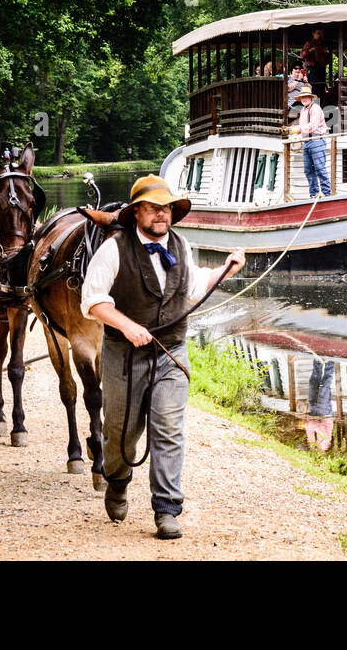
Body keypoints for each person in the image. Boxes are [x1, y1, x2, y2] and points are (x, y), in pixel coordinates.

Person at [78, 175, 245, 538]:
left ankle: (167, 510)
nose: (161, 215)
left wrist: (226, 270)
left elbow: (195, 285)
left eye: (166, 208)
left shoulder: (181, 247)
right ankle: (118, 481)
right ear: (137, 212)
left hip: (171, 353)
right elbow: (91, 300)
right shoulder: (114, 249)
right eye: (153, 208)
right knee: (121, 435)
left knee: (168, 429)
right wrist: (126, 326)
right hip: (123, 356)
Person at [287, 86, 330, 198]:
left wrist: (298, 130)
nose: (304, 99)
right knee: (308, 170)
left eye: (306, 97)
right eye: (302, 97)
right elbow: (303, 126)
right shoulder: (303, 110)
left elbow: (313, 126)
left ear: (311, 98)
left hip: (317, 139)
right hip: (307, 141)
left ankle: (326, 193)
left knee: (320, 168)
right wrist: (298, 134)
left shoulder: (315, 109)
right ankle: (314, 194)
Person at [304, 359, 336, 452]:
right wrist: (312, 425)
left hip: (312, 411)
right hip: (324, 414)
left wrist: (310, 425)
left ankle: (317, 360)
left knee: (312, 384)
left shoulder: (311, 445)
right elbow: (319, 427)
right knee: (325, 385)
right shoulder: (324, 445)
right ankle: (330, 360)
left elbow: (307, 427)